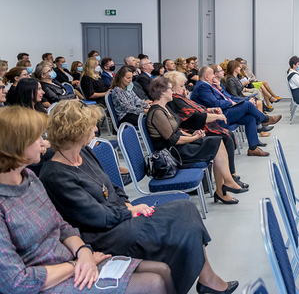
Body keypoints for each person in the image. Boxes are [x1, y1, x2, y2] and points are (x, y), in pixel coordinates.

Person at [39, 100, 238, 294]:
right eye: (91, 126)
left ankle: (206, 278)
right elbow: (95, 216)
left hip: (120, 215)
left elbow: (113, 185)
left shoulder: (84, 152)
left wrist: (125, 202)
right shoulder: (55, 174)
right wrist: (128, 210)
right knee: (182, 218)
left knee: (186, 210)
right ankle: (207, 279)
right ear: (76, 131)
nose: (96, 131)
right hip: (106, 233)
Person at [0, 106, 178, 294]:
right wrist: (78, 263)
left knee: (162, 271)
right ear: (15, 146)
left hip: (71, 260)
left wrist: (83, 252)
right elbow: (17, 282)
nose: (43, 142)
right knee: (153, 284)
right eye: (35, 138)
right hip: (47, 281)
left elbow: (61, 225)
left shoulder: (29, 178)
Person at [146, 77, 245, 204]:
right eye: (171, 89)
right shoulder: (157, 113)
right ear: (162, 92)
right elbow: (173, 139)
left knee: (217, 141)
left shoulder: (164, 107)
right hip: (173, 153)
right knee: (216, 143)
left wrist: (192, 134)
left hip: (178, 147)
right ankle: (226, 184)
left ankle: (224, 187)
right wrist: (193, 138)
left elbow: (178, 130)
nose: (173, 92)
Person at [164, 71, 247, 190]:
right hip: (191, 129)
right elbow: (195, 117)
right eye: (181, 86)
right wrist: (217, 116)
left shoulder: (180, 98)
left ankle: (229, 179)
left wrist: (211, 110)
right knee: (225, 137)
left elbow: (199, 109)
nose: (184, 89)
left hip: (193, 128)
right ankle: (229, 179)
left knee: (227, 135)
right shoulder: (175, 101)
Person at [192, 67, 282, 157]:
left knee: (250, 118)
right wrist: (231, 103)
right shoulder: (202, 86)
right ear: (206, 76)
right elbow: (215, 103)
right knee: (248, 105)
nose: (214, 76)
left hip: (226, 112)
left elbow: (228, 97)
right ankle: (265, 119)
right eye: (212, 74)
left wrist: (221, 89)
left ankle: (253, 148)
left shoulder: (212, 85)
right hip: (217, 118)